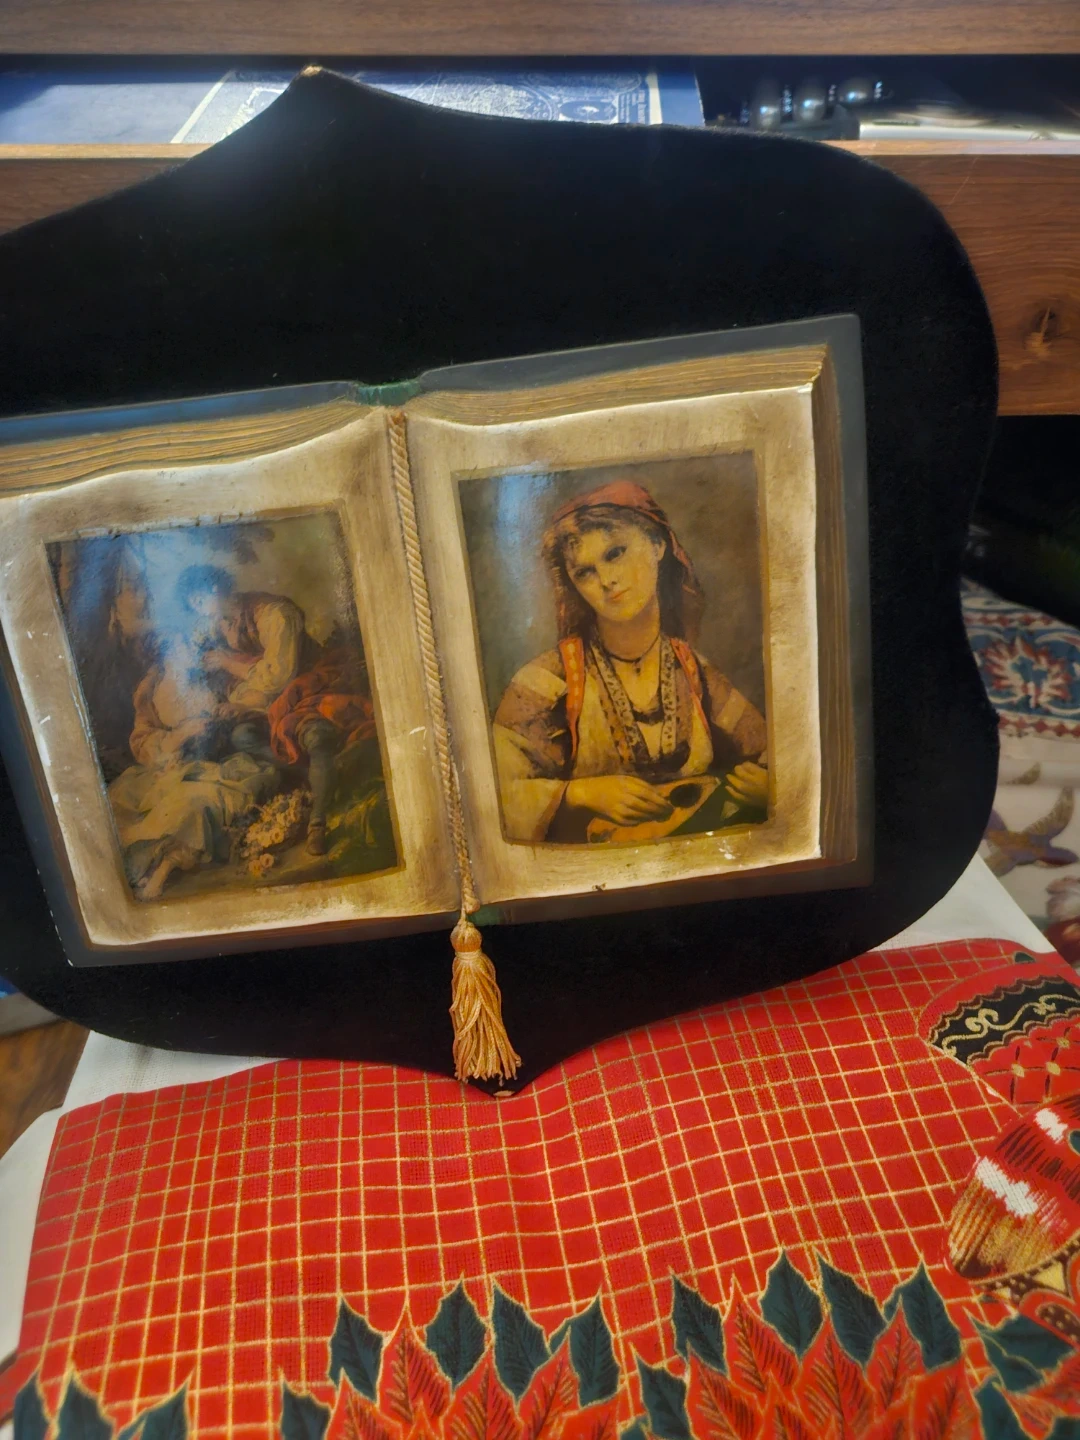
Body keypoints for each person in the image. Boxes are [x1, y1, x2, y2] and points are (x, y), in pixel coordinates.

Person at [492, 480, 768, 843]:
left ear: (657, 545)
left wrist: (770, 789)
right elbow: (495, 799)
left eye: (615, 553)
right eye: (584, 572)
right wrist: (581, 793)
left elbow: (772, 755)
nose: (607, 580)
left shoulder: (694, 671)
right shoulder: (546, 681)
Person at [176, 565, 376, 854]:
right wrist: (239, 702)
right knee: (242, 737)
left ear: (214, 588)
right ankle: (315, 776)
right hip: (269, 701)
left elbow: (278, 675)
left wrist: (228, 664)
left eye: (199, 601)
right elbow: (239, 682)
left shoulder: (274, 613)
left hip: (308, 686)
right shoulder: (222, 624)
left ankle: (318, 822)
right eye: (193, 606)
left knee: (314, 735)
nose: (199, 611)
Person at [107, 634, 280, 898]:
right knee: (142, 807)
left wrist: (236, 708)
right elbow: (143, 741)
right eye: (182, 644)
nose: (192, 650)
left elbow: (257, 694)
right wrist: (181, 736)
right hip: (171, 767)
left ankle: (165, 868)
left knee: (196, 803)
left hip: (217, 763)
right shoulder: (152, 689)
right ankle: (150, 866)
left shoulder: (214, 673)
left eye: (190, 644)